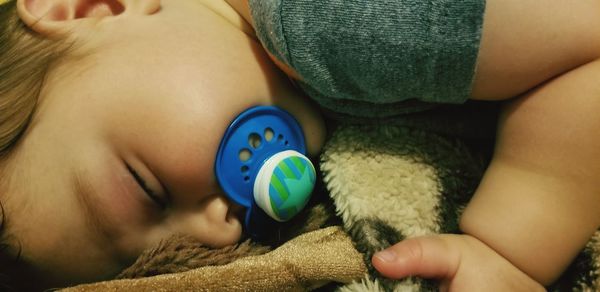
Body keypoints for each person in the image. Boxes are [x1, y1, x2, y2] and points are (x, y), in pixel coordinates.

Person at [0, 0, 597, 290]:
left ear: (81, 7)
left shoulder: (325, 27)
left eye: (147, 188)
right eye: (176, 252)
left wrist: (510, 248)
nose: (220, 234)